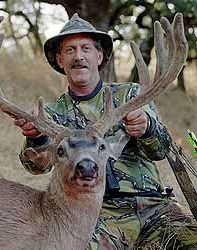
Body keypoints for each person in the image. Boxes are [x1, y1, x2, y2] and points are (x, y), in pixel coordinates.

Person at [14, 13, 197, 249]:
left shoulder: (132, 95)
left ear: (99, 56)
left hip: (155, 207)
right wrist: (36, 138)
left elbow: (161, 150)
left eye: (86, 48)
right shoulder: (50, 114)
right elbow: (36, 167)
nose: (78, 56)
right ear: (60, 60)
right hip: (99, 213)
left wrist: (147, 128)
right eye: (70, 50)